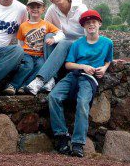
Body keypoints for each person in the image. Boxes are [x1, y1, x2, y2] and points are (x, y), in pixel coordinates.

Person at [48, 10, 113, 157]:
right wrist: (83, 66)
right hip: (73, 75)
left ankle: (78, 143)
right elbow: (68, 64)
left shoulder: (107, 43)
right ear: (83, 26)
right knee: (53, 97)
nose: (91, 24)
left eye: (93, 22)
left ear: (99, 24)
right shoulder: (77, 44)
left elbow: (108, 60)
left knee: (83, 102)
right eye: (87, 23)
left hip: (89, 79)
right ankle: (62, 136)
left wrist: (104, 68)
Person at [25, 0, 87, 95]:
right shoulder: (52, 9)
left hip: (79, 48)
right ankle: (51, 79)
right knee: (49, 35)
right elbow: (44, 30)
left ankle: (40, 80)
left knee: (64, 42)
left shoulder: (81, 9)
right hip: (61, 48)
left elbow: (90, 34)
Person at [3, 0, 65, 95]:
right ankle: (13, 85)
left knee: (40, 68)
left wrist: (54, 39)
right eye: (32, 7)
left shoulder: (46, 24)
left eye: (38, 6)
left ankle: (25, 86)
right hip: (27, 54)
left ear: (43, 9)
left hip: (40, 55)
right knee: (27, 66)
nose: (35, 9)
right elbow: (20, 42)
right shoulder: (23, 26)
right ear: (27, 9)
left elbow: (61, 34)